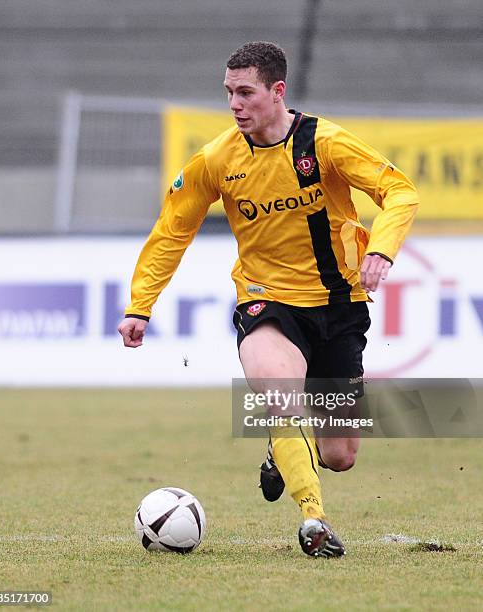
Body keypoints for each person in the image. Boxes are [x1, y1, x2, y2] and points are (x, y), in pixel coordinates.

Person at [118, 41, 419, 558]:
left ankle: (283, 454)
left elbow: (400, 192)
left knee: (341, 454)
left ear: (277, 92)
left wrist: (384, 250)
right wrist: (139, 305)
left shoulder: (325, 143)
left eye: (245, 92)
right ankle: (313, 520)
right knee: (280, 396)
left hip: (338, 305)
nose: (234, 104)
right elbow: (171, 232)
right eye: (228, 93)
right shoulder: (216, 159)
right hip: (265, 301)